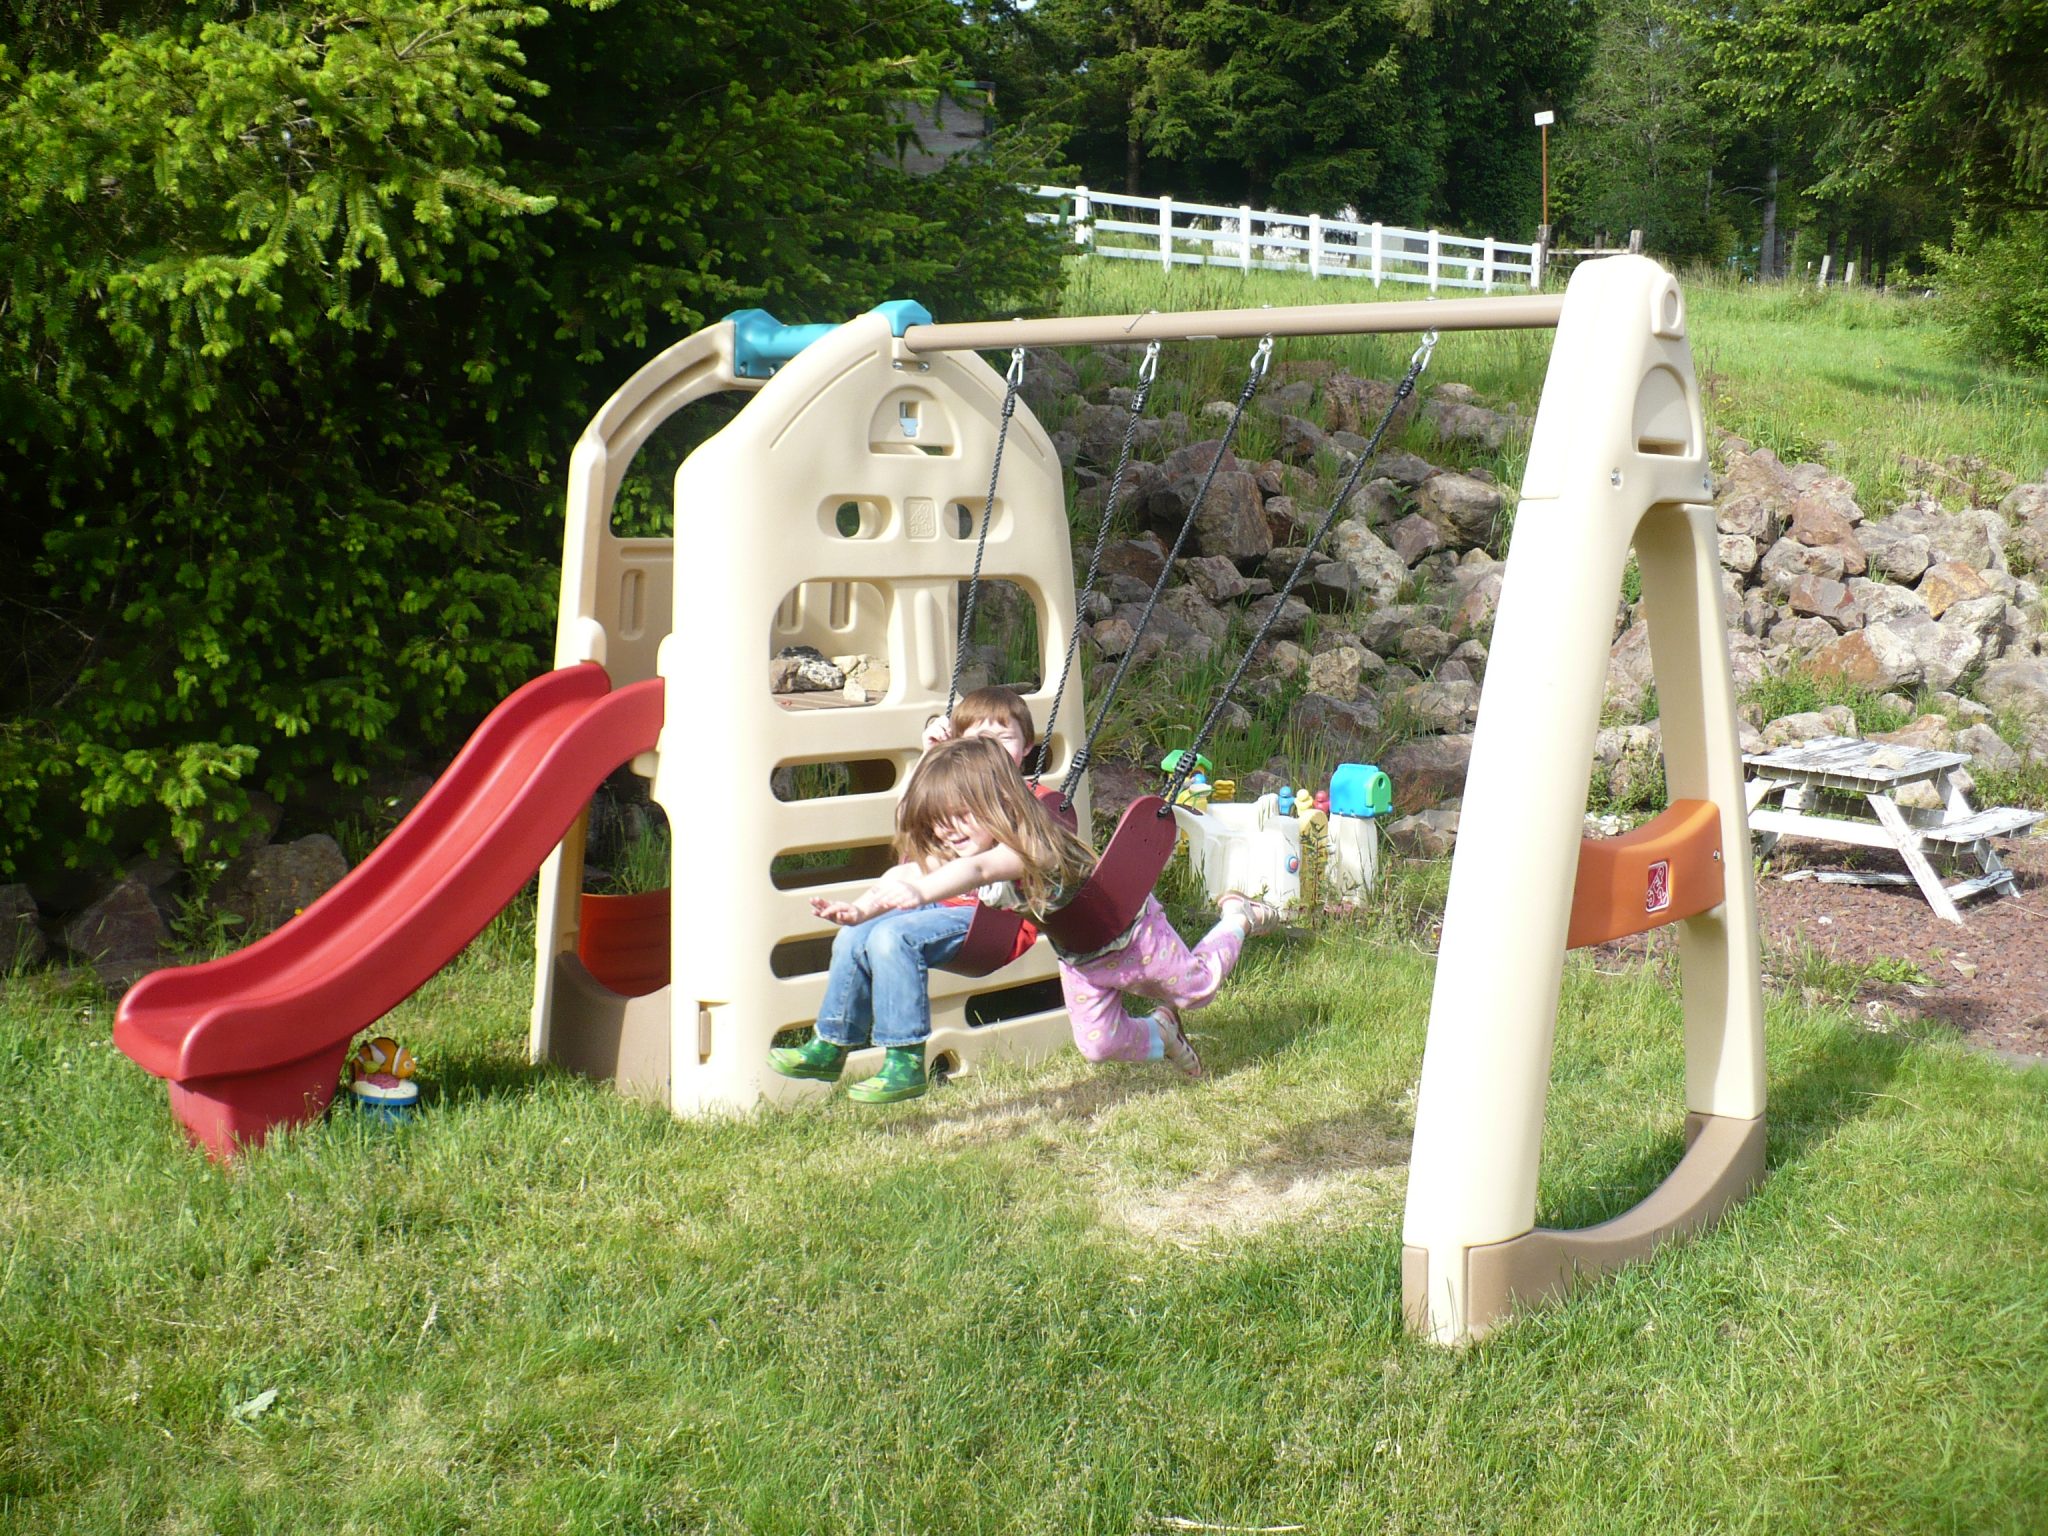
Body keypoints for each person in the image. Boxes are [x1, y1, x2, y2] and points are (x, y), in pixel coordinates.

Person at [769, 736, 1280, 1102]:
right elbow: (905, 872)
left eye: (959, 816)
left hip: (1132, 933)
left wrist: (920, 892)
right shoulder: (963, 849)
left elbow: (979, 868)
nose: (948, 833)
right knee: (1098, 1047)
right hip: (1080, 956)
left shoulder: (1034, 843)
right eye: (938, 823)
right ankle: (1163, 1034)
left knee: (1197, 989)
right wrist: (862, 909)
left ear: (996, 802)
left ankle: (1237, 916)